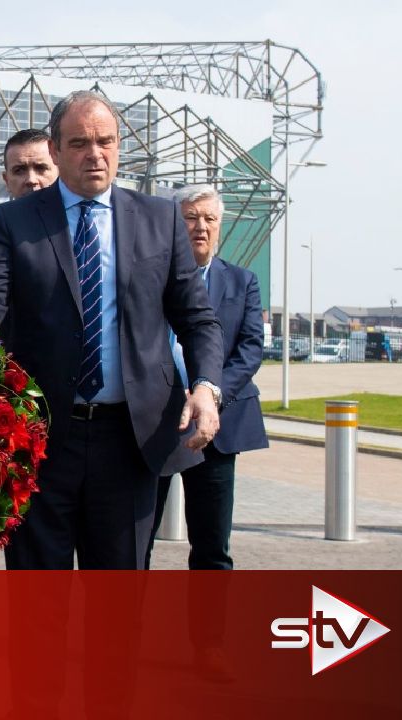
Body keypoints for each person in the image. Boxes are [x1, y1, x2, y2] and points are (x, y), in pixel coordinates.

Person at [0, 90, 224, 570]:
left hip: (130, 440)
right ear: (57, 151)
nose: (95, 154)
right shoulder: (13, 221)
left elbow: (196, 316)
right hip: (39, 440)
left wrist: (206, 387)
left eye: (105, 141)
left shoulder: (159, 218)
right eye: (80, 143)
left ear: (119, 145)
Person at [153, 184, 267, 676]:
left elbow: (250, 349)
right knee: (132, 541)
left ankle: (209, 646)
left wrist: (209, 393)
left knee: (212, 547)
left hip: (215, 430)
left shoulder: (242, 282)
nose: (199, 227)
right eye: (189, 217)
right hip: (151, 424)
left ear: (220, 226)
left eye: (208, 219)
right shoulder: (150, 276)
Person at [0, 128, 58, 290]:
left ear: (59, 172)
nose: (31, 180)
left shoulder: (80, 234)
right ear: (6, 180)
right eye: (19, 170)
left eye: (41, 168)